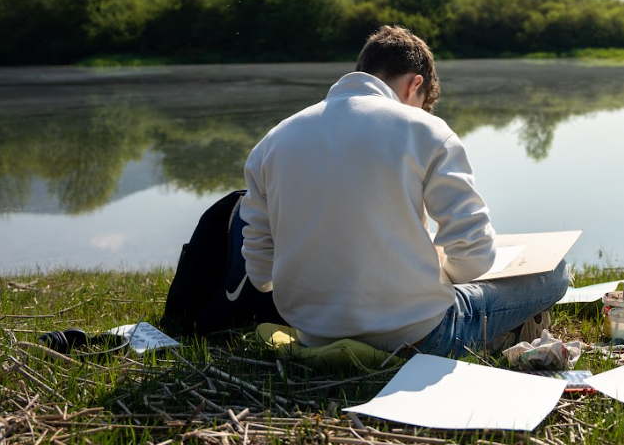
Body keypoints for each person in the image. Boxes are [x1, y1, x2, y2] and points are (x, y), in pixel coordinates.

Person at [240, 25, 569, 357]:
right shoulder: (426, 130)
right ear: (416, 84)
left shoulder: (273, 141)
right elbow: (474, 257)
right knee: (556, 271)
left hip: (313, 333)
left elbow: (260, 274)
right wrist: (443, 271)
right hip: (420, 336)